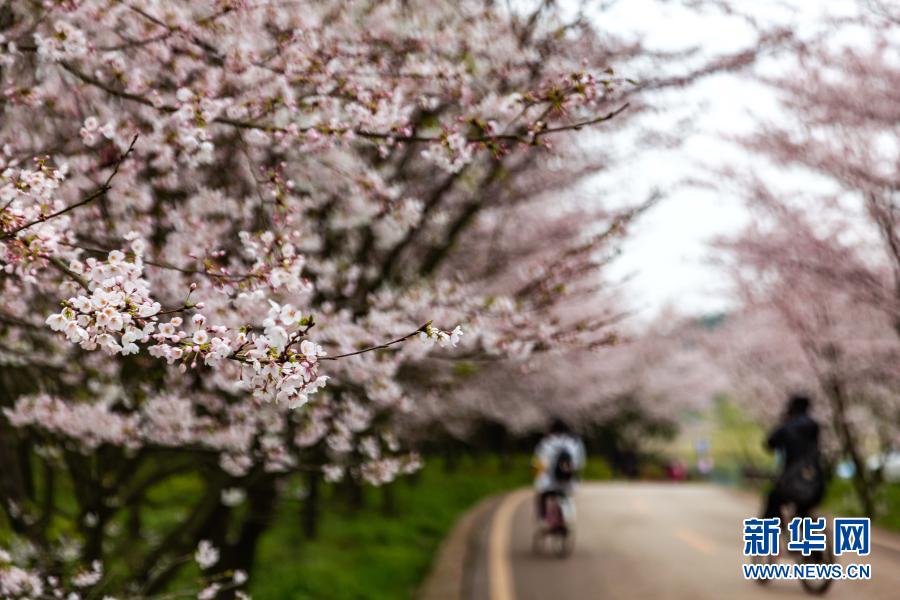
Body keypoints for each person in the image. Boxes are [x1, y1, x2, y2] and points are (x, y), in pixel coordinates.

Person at [763, 394, 825, 521]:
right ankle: (806, 531)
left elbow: (770, 443)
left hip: (790, 483)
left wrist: (783, 422)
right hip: (815, 484)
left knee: (773, 500)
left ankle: (770, 532)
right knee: (803, 511)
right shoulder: (814, 426)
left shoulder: (787, 426)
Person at [533, 418, 586, 523]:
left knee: (541, 494)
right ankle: (567, 518)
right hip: (568, 483)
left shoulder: (546, 443)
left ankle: (543, 518)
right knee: (566, 496)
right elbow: (580, 462)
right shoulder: (573, 442)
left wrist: (538, 473)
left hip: (549, 483)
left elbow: (539, 462)